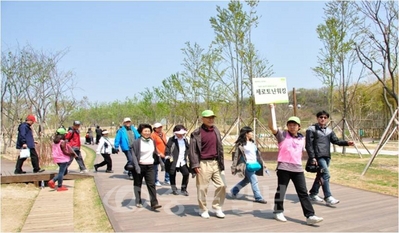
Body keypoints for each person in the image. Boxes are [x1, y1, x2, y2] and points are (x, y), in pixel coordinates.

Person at [268, 104, 323, 225]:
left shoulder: (302, 138)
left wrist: (314, 159)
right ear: (287, 126)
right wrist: (272, 109)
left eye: (294, 125)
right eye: (290, 125)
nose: (292, 127)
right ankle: (278, 211)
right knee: (281, 190)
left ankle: (310, 216)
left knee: (303, 192)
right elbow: (272, 127)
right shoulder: (282, 136)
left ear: (299, 127)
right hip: (284, 167)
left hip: (297, 169)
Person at [306, 110, 354, 205]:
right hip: (318, 156)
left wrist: (346, 143)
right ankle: (328, 197)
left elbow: (336, 141)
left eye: (325, 117)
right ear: (317, 118)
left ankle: (313, 194)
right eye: (321, 117)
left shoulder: (329, 131)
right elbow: (308, 145)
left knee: (320, 175)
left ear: (327, 119)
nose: (323, 119)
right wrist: (312, 157)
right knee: (326, 175)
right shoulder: (311, 129)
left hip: (327, 156)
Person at [189, 110, 226, 219]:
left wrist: (221, 163)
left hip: (216, 162)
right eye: (208, 117)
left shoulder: (216, 130)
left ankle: (217, 207)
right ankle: (203, 209)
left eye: (212, 117)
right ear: (202, 119)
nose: (211, 120)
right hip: (203, 163)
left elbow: (220, 148)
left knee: (222, 185)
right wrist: (195, 164)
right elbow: (192, 151)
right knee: (202, 188)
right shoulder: (196, 133)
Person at [230, 126, 267, 204]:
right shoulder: (241, 145)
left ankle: (234, 190)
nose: (252, 134)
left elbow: (258, 155)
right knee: (254, 181)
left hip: (254, 164)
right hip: (246, 165)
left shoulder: (253, 143)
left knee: (246, 180)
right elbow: (236, 157)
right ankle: (258, 197)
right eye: (251, 132)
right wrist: (233, 168)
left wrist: (263, 163)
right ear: (246, 134)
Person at [130, 123, 162, 211]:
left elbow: (155, 152)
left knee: (151, 184)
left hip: (150, 166)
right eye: (145, 131)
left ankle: (154, 203)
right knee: (138, 184)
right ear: (141, 132)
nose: (147, 132)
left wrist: (161, 162)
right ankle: (138, 200)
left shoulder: (152, 141)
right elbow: (133, 156)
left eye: (149, 131)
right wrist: (137, 167)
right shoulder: (136, 142)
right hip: (139, 166)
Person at [165, 125, 190, 196]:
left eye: (183, 133)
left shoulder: (185, 140)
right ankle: (174, 189)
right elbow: (167, 148)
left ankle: (183, 189)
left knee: (186, 173)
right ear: (175, 133)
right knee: (172, 174)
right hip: (173, 161)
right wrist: (168, 155)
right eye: (180, 133)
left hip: (182, 161)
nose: (181, 135)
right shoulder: (171, 140)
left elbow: (188, 148)